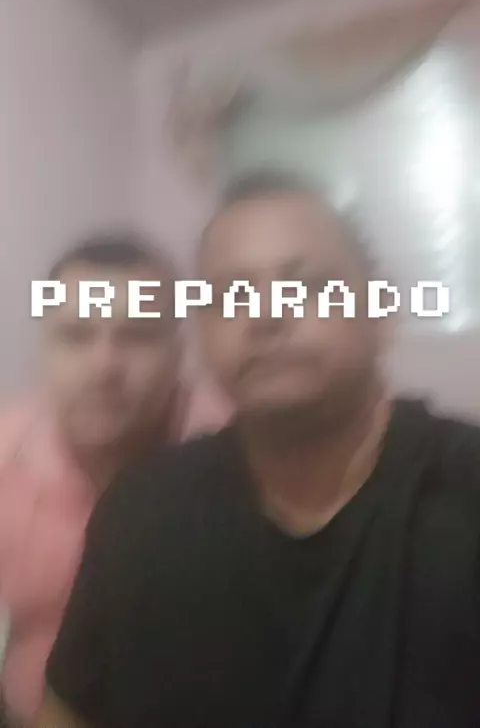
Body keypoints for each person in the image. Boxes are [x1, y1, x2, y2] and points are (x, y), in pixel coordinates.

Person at [36, 172, 480, 728]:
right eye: (232, 294)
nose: (267, 315)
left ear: (383, 315)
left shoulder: (462, 491)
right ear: (203, 336)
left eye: (308, 285)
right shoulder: (139, 511)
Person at [0, 234, 227, 726]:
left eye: (138, 336)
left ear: (177, 352)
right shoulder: (5, 459)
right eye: (77, 335)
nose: (105, 366)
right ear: (45, 347)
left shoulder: (242, 454)